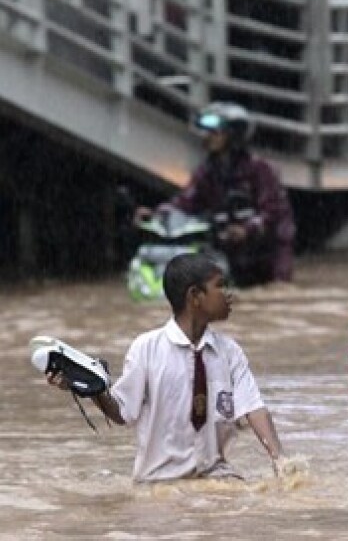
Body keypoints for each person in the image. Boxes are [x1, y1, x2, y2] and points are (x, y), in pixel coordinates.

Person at [45, 253, 285, 481]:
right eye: (220, 286)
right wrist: (91, 389)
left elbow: (254, 409)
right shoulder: (146, 348)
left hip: (216, 476)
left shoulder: (229, 351)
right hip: (158, 480)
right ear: (195, 296)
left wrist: (280, 461)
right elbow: (122, 412)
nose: (229, 295)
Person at [139, 102, 296, 286]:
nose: (207, 137)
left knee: (277, 290)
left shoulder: (260, 170)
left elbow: (272, 211)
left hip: (268, 251)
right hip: (228, 247)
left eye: (215, 133)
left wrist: (247, 229)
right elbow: (186, 202)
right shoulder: (206, 172)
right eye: (206, 132)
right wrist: (159, 213)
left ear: (233, 135)